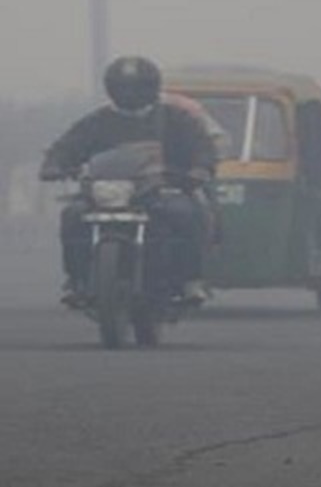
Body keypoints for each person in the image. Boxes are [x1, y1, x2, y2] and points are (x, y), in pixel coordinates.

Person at [38, 56, 217, 305]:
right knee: (72, 215)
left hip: (161, 189)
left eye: (138, 87)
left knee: (186, 214)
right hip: (106, 193)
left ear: (152, 87)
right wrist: (53, 165)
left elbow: (201, 146)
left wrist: (200, 167)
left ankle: (191, 281)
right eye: (122, 87)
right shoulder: (96, 122)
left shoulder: (176, 118)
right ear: (111, 88)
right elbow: (67, 146)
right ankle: (77, 280)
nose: (130, 93)